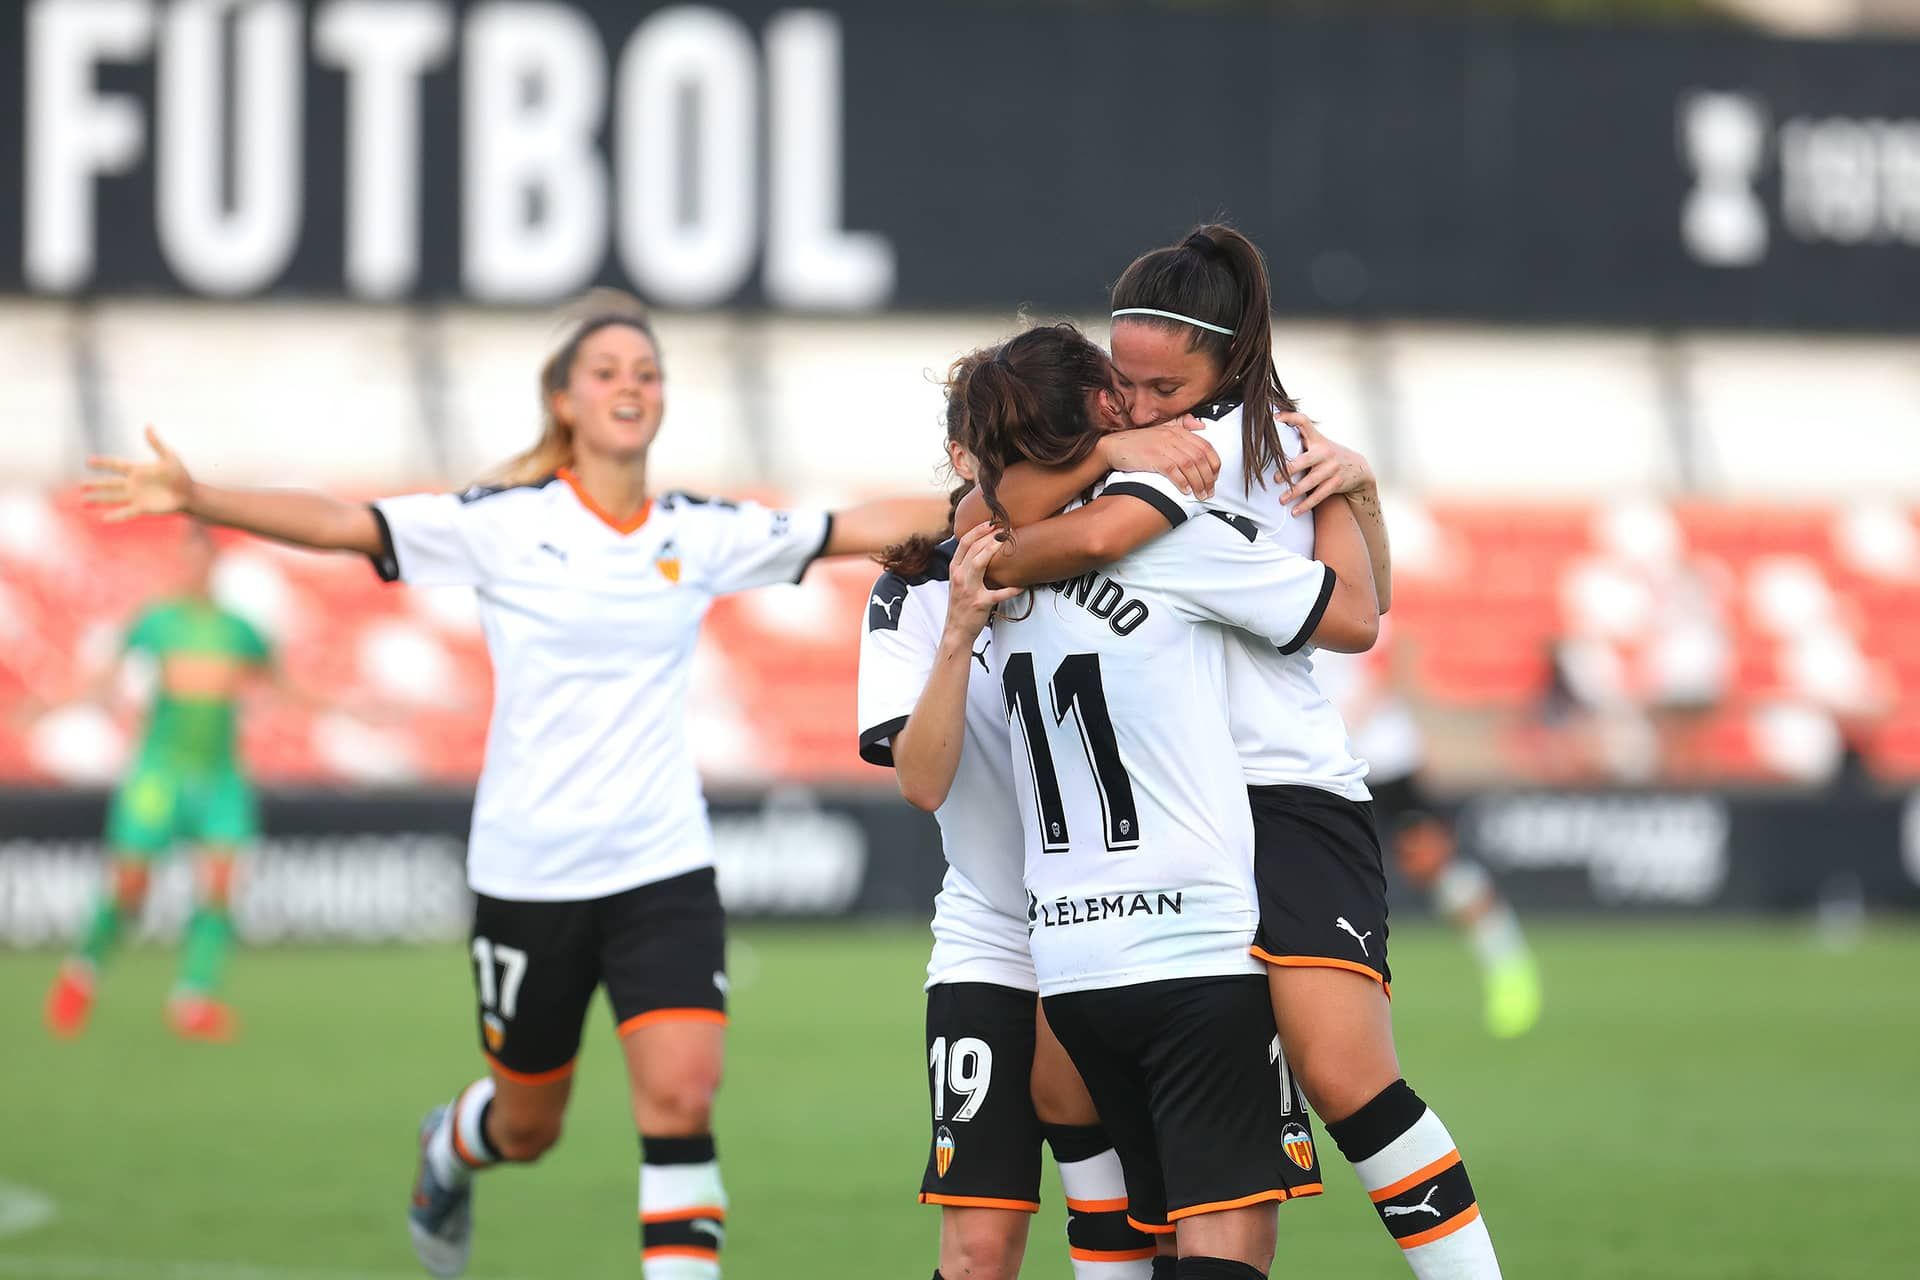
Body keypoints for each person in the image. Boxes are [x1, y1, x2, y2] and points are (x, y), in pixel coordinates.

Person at [82, 295, 949, 1280]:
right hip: (530, 872)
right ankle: (447, 1144)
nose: (631, 384)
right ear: (563, 399)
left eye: (647, 371)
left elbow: (858, 524)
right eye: (609, 370)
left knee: (681, 1098)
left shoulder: (696, 530)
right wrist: (200, 495)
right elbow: (341, 520)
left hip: (661, 863)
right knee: (528, 1123)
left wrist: (1003, 500)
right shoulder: (502, 522)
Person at [961, 225, 1504, 1278]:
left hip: (1285, 791)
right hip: (1170, 816)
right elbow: (989, 513)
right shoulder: (1100, 441)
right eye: (1126, 377)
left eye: (1166, 384)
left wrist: (1360, 490)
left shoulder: (1284, 449)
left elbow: (1360, 611)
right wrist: (1111, 449)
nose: (1141, 399)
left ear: (1231, 361)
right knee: (1147, 1107)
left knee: (1343, 1073)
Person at [955, 321, 1380, 1279]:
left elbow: (1000, 511)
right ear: (1103, 408)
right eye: (1121, 393)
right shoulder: (1173, 534)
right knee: (1226, 1247)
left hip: (1070, 967)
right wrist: (1346, 488)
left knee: (1137, 1247)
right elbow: (1353, 615)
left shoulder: (994, 557)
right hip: (1194, 952)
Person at [857, 372, 1215, 1280]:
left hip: (1133, 920)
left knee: (1162, 1221)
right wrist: (959, 630)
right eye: (1001, 454)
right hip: (994, 936)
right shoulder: (914, 586)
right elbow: (922, 782)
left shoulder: (1116, 541)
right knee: (979, 1254)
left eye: (1045, 450)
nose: (1027, 474)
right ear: (961, 461)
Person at [40, 523, 290, 1042]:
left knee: (220, 883)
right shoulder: (157, 622)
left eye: (201, 560)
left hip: (220, 775)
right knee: (131, 885)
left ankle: (194, 998)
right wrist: (58, 704)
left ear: (214, 565)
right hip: (160, 772)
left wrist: (354, 711)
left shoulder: (239, 629)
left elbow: (281, 681)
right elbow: (106, 676)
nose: (193, 569)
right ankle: (82, 971)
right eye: (186, 560)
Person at [1310, 634, 1542, 1039]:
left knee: (1437, 866)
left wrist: (1348, 718)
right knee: (1325, 878)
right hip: (1327, 768)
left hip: (1386, 762)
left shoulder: (1345, 590)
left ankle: (1509, 968)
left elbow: (1390, 658)